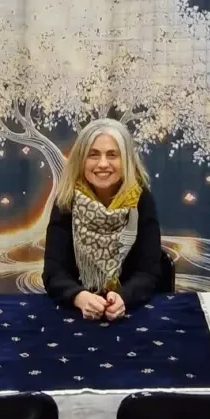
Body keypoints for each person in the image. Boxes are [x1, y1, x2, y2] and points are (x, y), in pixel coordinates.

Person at [42, 118, 163, 322]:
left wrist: (124, 297)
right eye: (93, 155)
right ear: (81, 160)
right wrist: (79, 297)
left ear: (126, 161)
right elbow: (54, 272)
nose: (103, 164)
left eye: (112, 155)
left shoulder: (141, 200)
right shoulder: (66, 200)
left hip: (129, 313)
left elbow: (149, 272)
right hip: (75, 314)